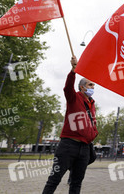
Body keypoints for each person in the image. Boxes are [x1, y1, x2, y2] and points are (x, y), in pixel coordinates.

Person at [42, 56, 98, 194]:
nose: (93, 87)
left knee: (76, 183)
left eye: (93, 85)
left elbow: (92, 123)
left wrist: (94, 133)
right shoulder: (74, 97)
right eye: (90, 85)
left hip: (85, 148)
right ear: (82, 87)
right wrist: (73, 70)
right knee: (54, 179)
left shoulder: (92, 104)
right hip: (68, 146)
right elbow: (67, 87)